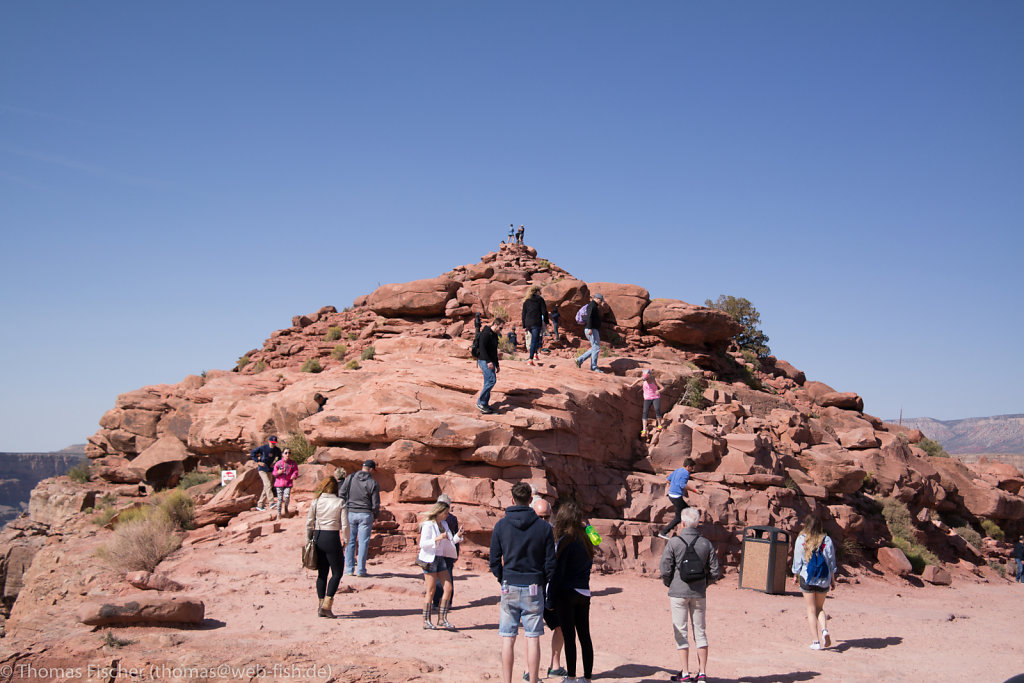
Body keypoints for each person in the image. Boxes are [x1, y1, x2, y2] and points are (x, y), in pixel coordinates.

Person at [490, 482, 556, 683]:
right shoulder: (544, 527)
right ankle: (533, 680)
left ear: (512, 499)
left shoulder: (501, 525)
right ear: (530, 500)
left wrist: (503, 577)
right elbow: (550, 563)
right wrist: (541, 579)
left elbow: (494, 560)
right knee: (532, 636)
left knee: (508, 637)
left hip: (509, 584)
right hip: (534, 586)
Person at [659, 507, 721, 683]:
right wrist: (704, 584)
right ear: (697, 523)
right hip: (699, 593)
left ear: (683, 523)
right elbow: (715, 571)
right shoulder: (706, 543)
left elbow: (664, 568)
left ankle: (685, 673)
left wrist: (669, 583)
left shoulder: (674, 542)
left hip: (678, 592)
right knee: (700, 632)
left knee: (681, 631)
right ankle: (702, 673)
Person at [551, 500, 595, 683]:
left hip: (566, 592)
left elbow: (558, 571)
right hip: (584, 592)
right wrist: (588, 527)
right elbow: (597, 541)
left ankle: (570, 677)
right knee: (585, 636)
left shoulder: (565, 540)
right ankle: (587, 677)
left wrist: (550, 597)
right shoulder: (587, 539)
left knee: (570, 637)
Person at [524, 497, 566, 681]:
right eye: (540, 517)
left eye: (546, 517)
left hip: (550, 589)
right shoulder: (525, 531)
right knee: (532, 631)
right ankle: (528, 671)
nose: (543, 521)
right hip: (533, 588)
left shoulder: (554, 533)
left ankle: (554, 666)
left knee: (560, 626)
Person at [791, 514, 838, 650]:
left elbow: (797, 560)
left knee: (811, 610)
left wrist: (795, 574)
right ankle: (824, 630)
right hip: (823, 579)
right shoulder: (827, 540)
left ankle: (816, 642)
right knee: (820, 608)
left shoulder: (801, 539)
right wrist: (832, 580)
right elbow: (831, 562)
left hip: (807, 577)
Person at [306, 475, 346, 618]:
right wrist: (346, 541)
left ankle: (320, 604)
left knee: (322, 573)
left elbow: (309, 522)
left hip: (318, 536)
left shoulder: (315, 502)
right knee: (337, 572)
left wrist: (308, 540)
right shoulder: (340, 502)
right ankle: (327, 606)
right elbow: (345, 525)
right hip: (332, 537)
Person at [419, 498, 462, 629]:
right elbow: (423, 544)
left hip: (441, 558)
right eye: (445, 513)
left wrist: (458, 536)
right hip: (430, 559)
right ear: (439, 512)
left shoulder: (444, 524)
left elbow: (449, 541)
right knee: (431, 591)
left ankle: (442, 619)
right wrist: (437, 538)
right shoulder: (428, 524)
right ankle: (426, 621)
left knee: (448, 588)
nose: (447, 515)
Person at [340, 460, 381, 577]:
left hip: (350, 513)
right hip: (365, 514)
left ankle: (348, 569)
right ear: (371, 469)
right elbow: (375, 503)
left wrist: (345, 507)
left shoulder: (350, 478)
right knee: (363, 542)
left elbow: (341, 493)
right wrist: (375, 515)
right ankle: (361, 570)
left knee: (349, 541)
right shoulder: (373, 482)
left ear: (363, 467)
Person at [658, 459, 701, 540]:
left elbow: (668, 479)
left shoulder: (678, 470)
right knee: (678, 517)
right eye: (692, 468)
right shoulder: (685, 473)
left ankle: (688, 530)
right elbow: (682, 485)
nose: (692, 470)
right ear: (688, 466)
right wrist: (695, 490)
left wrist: (673, 486)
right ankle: (663, 532)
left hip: (671, 495)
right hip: (676, 497)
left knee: (688, 510)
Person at [432, 494, 460, 610]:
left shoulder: (435, 518)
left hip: (438, 551)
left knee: (438, 577)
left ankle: (437, 602)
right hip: (448, 551)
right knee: (448, 576)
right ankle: (448, 602)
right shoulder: (452, 518)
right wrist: (456, 553)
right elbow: (455, 537)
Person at [476, 317, 504, 415]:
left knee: (488, 381)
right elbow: (482, 348)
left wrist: (497, 364)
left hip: (490, 361)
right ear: (495, 325)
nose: (501, 330)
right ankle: (480, 402)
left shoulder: (494, 335)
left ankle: (484, 404)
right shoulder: (486, 333)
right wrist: (488, 361)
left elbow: (494, 351)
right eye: (500, 328)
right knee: (492, 380)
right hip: (484, 360)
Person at [249, 435, 281, 511]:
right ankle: (272, 503)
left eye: (274, 443)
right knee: (268, 485)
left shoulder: (277, 450)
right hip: (262, 469)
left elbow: (280, 457)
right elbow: (252, 453)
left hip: (270, 469)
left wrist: (275, 463)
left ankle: (260, 505)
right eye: (272, 442)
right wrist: (258, 462)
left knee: (266, 487)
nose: (273, 444)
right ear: (269, 441)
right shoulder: (263, 448)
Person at [629, 369, 664, 437]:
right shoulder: (643, 379)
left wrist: (659, 391)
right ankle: (644, 430)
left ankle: (659, 425)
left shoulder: (654, 380)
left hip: (655, 397)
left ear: (649, 376)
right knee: (645, 412)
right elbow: (637, 380)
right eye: (645, 379)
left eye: (647, 378)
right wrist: (631, 386)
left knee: (657, 409)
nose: (646, 380)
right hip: (647, 398)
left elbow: (663, 388)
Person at [574, 294, 604, 372]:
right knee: (596, 347)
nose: (601, 302)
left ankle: (579, 360)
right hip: (591, 329)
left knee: (595, 347)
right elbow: (590, 316)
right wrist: (590, 328)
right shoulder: (592, 305)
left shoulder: (593, 305)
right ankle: (593, 367)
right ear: (597, 299)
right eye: (600, 300)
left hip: (592, 329)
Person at [521, 286, 550, 366]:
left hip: (528, 323)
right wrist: (547, 322)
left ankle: (535, 354)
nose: (540, 293)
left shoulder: (526, 301)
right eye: (540, 292)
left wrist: (524, 325)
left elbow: (523, 314)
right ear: (536, 291)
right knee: (534, 340)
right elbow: (544, 312)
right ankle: (530, 360)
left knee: (535, 338)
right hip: (536, 322)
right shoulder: (540, 300)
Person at [271, 448, 298, 520]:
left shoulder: (292, 463)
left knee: (287, 497)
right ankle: (278, 514)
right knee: (279, 499)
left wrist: (294, 475)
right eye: (286, 453)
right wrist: (278, 473)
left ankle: (286, 509)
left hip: (288, 483)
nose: (287, 454)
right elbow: (274, 473)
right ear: (282, 454)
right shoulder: (278, 463)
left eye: (289, 453)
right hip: (279, 483)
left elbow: (295, 471)